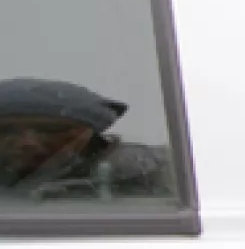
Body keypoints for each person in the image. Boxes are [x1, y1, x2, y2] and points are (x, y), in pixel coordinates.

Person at [0, 78, 171, 201]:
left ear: (88, 134)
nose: (27, 142)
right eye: (5, 131)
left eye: (51, 129)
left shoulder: (151, 173)